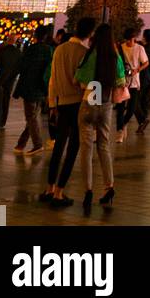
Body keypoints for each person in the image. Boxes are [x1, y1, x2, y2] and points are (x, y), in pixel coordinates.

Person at [42, 15, 95, 208]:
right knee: (73, 149)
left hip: (61, 103)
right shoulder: (85, 53)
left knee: (59, 146)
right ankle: (59, 192)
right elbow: (89, 83)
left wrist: (52, 104)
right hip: (79, 103)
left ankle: (49, 188)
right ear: (90, 33)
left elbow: (52, 79)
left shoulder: (59, 49)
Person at [75, 23, 125, 214]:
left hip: (89, 101)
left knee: (86, 148)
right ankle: (109, 186)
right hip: (105, 104)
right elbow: (121, 81)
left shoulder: (91, 54)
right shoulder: (114, 57)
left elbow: (79, 79)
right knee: (103, 146)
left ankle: (88, 190)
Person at [13, 25, 53, 154]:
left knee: (31, 117)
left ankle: (37, 144)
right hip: (42, 87)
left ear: (35, 35)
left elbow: (22, 67)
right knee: (33, 116)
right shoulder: (49, 50)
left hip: (30, 87)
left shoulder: (31, 49)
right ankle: (21, 144)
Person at [117, 28, 148, 142]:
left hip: (134, 82)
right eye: (127, 40)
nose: (129, 42)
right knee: (120, 108)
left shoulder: (139, 48)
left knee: (131, 109)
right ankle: (120, 131)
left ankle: (123, 125)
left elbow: (146, 62)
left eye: (131, 39)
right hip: (121, 81)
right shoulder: (121, 47)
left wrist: (137, 70)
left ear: (134, 38)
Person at [0, 32, 22, 131]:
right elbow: (19, 68)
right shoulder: (18, 52)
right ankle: (3, 122)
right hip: (10, 81)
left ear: (8, 40)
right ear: (15, 41)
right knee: (6, 100)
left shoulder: (2, 51)